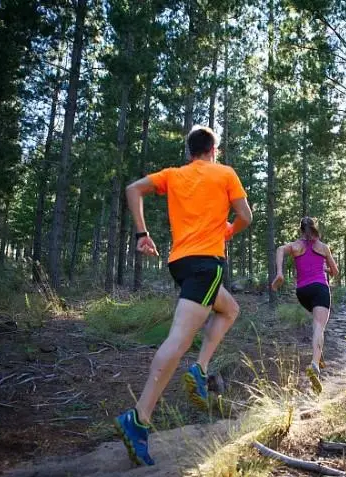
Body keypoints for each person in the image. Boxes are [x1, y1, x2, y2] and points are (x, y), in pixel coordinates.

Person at [114, 125, 252, 466]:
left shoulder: (173, 175)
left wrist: (142, 233)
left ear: (190, 151)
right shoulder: (225, 173)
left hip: (180, 264)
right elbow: (246, 215)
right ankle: (139, 418)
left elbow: (134, 189)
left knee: (229, 309)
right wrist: (229, 231)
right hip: (207, 265)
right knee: (177, 342)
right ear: (213, 149)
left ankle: (200, 369)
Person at [271, 217, 339, 394]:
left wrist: (279, 273)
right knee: (319, 327)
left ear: (301, 230)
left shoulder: (296, 246)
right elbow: (335, 272)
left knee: (317, 324)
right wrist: (325, 269)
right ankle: (315, 365)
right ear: (315, 229)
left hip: (302, 292)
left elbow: (279, 249)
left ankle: (319, 355)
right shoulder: (323, 247)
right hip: (320, 289)